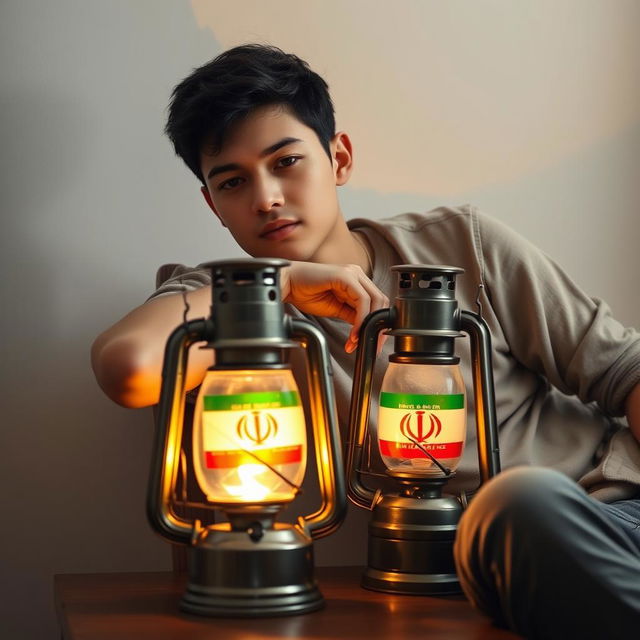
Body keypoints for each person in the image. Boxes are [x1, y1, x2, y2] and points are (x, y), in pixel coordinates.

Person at [91, 44, 640, 636]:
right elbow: (130, 371)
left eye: (286, 161)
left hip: (617, 510)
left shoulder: (459, 245)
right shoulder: (223, 299)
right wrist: (281, 284)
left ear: (339, 157)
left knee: (525, 504)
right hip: (500, 552)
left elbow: (625, 371)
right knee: (516, 507)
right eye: (232, 181)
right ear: (212, 204)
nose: (266, 197)